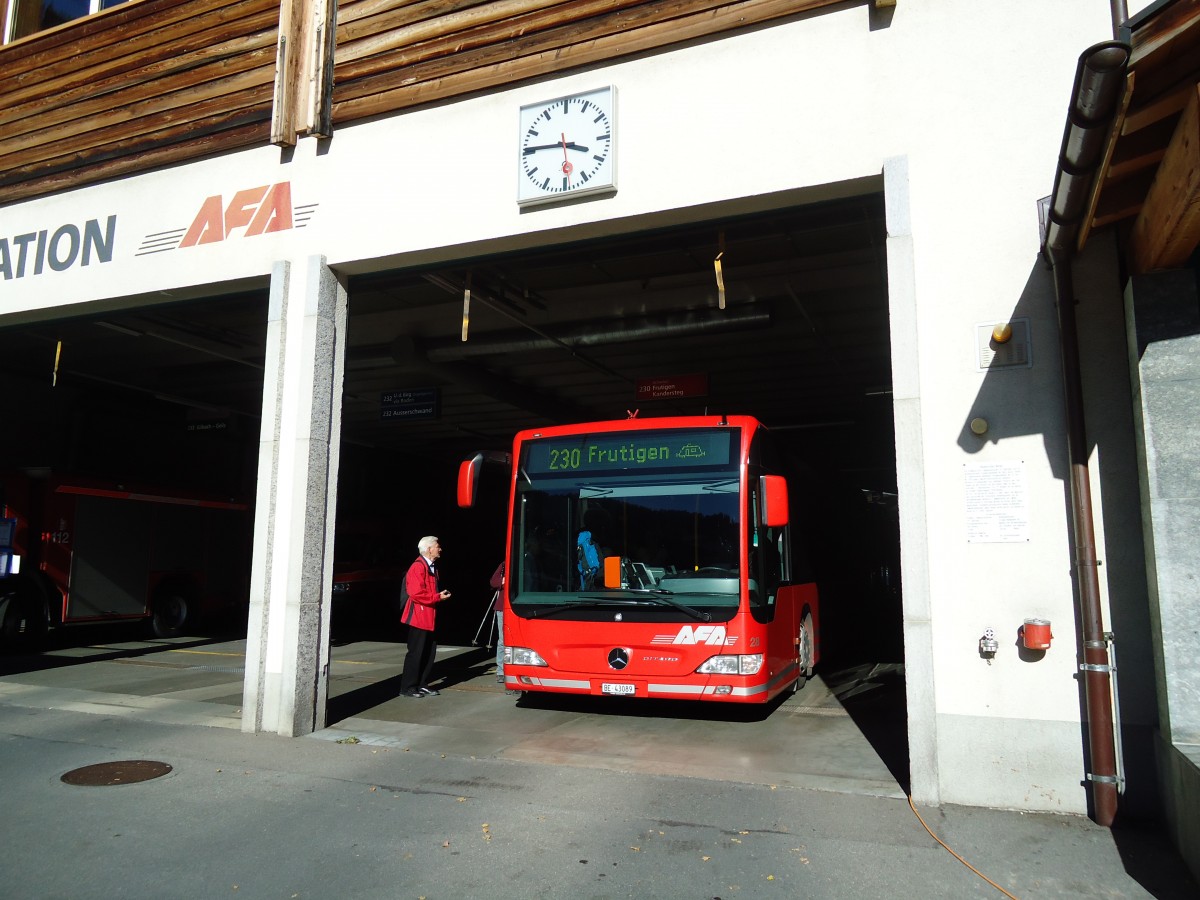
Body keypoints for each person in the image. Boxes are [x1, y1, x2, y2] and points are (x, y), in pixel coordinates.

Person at [399, 535, 451, 698]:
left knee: (429, 652)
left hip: (429, 617)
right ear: (429, 549)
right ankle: (408, 687)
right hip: (419, 617)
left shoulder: (432, 567)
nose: (440, 548)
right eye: (437, 546)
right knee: (416, 652)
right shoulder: (418, 567)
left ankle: (421, 684)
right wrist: (437, 597)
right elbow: (415, 593)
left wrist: (438, 596)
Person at [489, 561, 505, 684]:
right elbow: (493, 581)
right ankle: (501, 671)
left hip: (522, 607)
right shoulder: (504, 564)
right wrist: (503, 580)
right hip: (503, 608)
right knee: (503, 640)